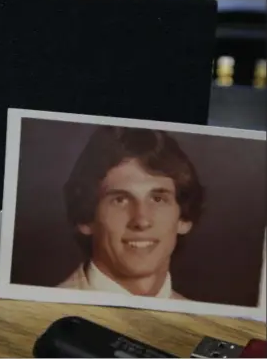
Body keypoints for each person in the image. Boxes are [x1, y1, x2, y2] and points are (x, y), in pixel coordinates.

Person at [58, 126, 204, 299]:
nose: (141, 221)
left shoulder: (213, 324)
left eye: (158, 199)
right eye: (120, 200)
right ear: (86, 220)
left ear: (184, 220)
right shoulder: (40, 312)